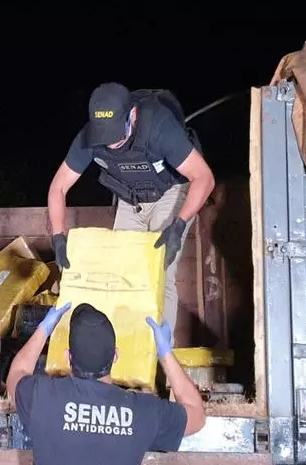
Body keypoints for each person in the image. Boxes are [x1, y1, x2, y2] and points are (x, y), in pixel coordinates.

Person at [6, 302, 206, 465]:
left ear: (69, 358)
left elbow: (16, 375)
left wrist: (44, 329)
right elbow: (196, 414)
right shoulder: (141, 410)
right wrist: (165, 354)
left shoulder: (42, 397)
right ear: (115, 356)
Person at [47, 83, 215, 338]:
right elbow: (58, 187)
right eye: (105, 138)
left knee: (160, 269)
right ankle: (124, 347)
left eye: (117, 135)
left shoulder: (159, 126)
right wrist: (58, 237)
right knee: (122, 270)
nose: (112, 144)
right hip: (131, 198)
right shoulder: (90, 136)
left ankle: (161, 354)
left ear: (132, 115)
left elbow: (204, 177)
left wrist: (178, 224)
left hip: (171, 192)